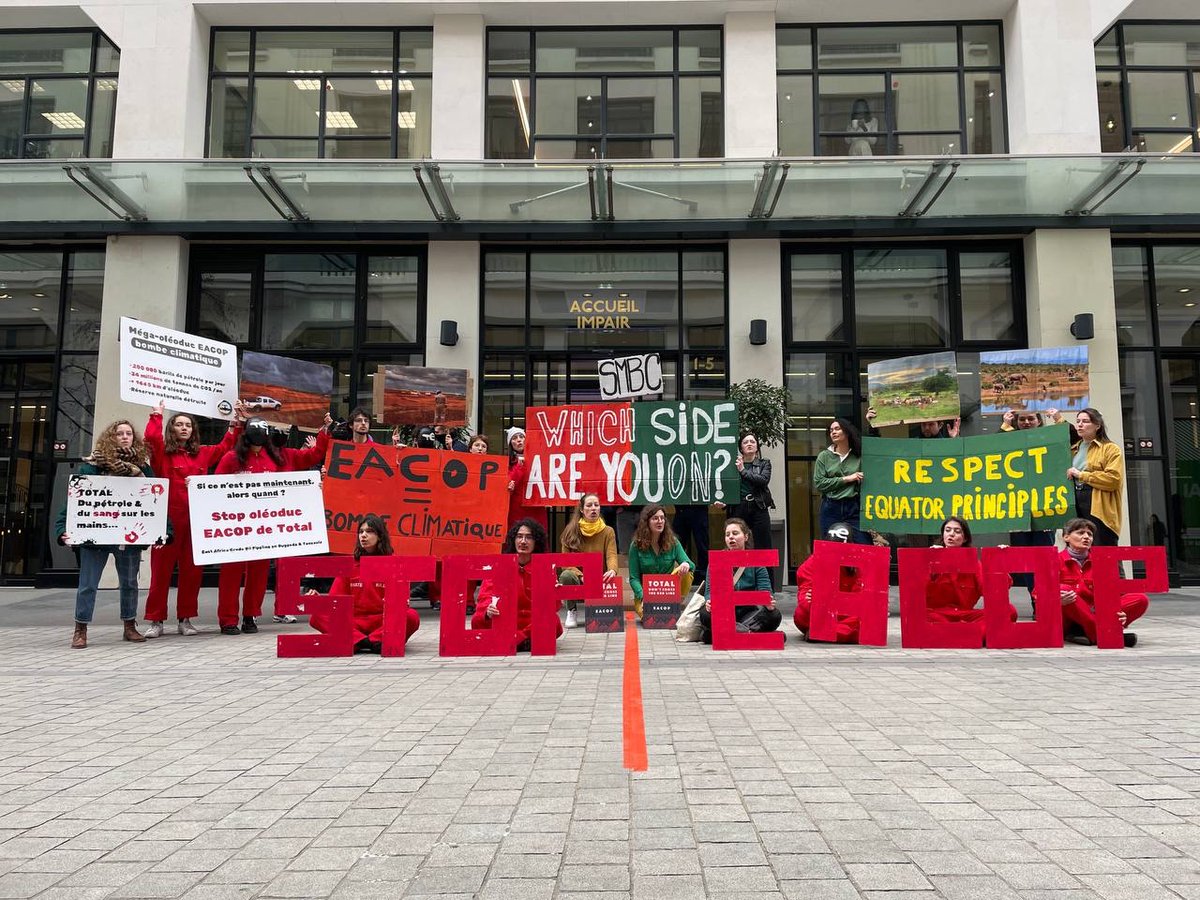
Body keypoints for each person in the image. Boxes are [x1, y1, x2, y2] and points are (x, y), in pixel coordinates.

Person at [213, 417, 330, 635]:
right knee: (230, 574)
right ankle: (228, 619)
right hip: (236, 527)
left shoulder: (277, 458)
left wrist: (323, 433)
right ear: (246, 435)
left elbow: (308, 460)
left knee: (258, 575)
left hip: (265, 528)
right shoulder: (231, 458)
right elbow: (215, 487)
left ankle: (250, 616)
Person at [141, 400, 243, 638]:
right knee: (161, 573)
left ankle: (185, 619)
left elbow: (226, 446)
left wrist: (234, 424)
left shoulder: (202, 454)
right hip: (167, 523)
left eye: (188, 425)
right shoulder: (161, 455)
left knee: (191, 572)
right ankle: (156, 620)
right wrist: (157, 415)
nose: (184, 428)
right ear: (172, 429)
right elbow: (152, 439)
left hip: (195, 522)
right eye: (179, 424)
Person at [55, 420, 160, 649]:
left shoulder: (143, 468)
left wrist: (164, 530)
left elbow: (155, 503)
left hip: (128, 537)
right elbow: (76, 501)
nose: (124, 437)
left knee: (130, 584)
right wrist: (62, 528)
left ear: (134, 438)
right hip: (96, 537)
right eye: (119, 433)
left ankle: (129, 626)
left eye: (128, 433)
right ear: (110, 437)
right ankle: (80, 629)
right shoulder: (92, 466)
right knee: (88, 584)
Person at [307, 515, 415, 654]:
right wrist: (319, 601)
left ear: (380, 536)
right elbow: (335, 601)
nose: (363, 535)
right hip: (354, 622)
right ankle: (366, 641)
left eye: (369, 531)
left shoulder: (394, 564)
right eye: (361, 532)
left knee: (411, 616)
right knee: (317, 616)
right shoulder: (349, 565)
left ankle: (359, 640)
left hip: (382, 621)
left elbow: (402, 604)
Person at [1051, 517, 1147, 647]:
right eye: (1080, 533)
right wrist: (1057, 600)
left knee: (1140, 599)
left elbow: (1116, 593)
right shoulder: (1054, 560)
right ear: (1066, 537)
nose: (1086, 537)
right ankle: (1102, 635)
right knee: (1064, 590)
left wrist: (1121, 613)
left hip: (1094, 611)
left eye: (1089, 534)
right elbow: (1038, 594)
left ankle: (1090, 632)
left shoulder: (1102, 561)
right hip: (1067, 616)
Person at [1001, 408, 1061, 602]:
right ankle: (1036, 598)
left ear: (1039, 421)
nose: (1026, 422)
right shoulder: (1011, 441)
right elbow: (993, 447)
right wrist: (1005, 425)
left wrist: (1058, 418)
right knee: (1025, 559)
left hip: (1044, 510)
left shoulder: (1049, 439)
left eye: (1031, 419)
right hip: (1019, 510)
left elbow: (1069, 437)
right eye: (1022, 419)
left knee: (1043, 557)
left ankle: (1045, 599)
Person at [471, 519, 558, 652]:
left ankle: (519, 639)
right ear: (513, 540)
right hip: (505, 621)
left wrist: (556, 592)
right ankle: (522, 641)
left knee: (553, 620)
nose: (523, 541)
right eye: (519, 536)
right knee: (479, 618)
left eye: (529, 537)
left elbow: (552, 606)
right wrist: (488, 611)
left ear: (536, 542)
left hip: (532, 623)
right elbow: (485, 597)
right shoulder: (499, 566)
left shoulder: (545, 568)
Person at [697, 517, 780, 644]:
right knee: (705, 615)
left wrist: (768, 603)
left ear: (746, 537)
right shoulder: (717, 561)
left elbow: (766, 589)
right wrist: (710, 603)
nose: (731, 537)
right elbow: (709, 591)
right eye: (727, 535)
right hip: (724, 613)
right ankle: (747, 633)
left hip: (750, 613)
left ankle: (726, 633)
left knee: (774, 615)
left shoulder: (756, 561)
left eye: (735, 533)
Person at [926, 516, 1016, 631]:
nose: (951, 534)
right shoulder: (931, 557)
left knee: (1009, 610)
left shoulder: (973, 562)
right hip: (937, 615)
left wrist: (998, 562)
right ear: (943, 535)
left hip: (965, 615)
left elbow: (990, 590)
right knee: (923, 616)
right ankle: (970, 633)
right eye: (947, 530)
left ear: (964, 538)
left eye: (957, 531)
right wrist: (931, 562)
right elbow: (918, 592)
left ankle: (957, 633)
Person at [721, 431, 775, 589]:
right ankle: (737, 586)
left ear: (757, 446)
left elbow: (763, 481)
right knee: (736, 545)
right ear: (741, 447)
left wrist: (743, 471)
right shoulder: (733, 465)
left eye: (752, 441)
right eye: (746, 442)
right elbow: (728, 488)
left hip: (759, 508)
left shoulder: (765, 463)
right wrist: (724, 503)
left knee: (763, 548)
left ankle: (767, 589)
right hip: (739, 508)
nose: (750, 444)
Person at [794, 523, 863, 643]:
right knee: (800, 614)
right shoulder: (811, 565)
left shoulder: (860, 564)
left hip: (847, 616)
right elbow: (804, 598)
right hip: (822, 614)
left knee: (866, 620)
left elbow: (862, 599)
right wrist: (814, 601)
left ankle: (823, 633)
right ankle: (834, 633)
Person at [558, 492, 619, 628]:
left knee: (612, 575)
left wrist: (612, 570)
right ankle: (571, 610)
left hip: (600, 578)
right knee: (566, 575)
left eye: (596, 505)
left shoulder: (608, 531)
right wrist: (581, 575)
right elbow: (566, 562)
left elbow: (611, 555)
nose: (593, 509)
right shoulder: (570, 531)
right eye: (589, 505)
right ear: (581, 510)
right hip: (579, 578)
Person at [1067, 407, 1124, 546]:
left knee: (1104, 551)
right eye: (1078, 421)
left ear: (1097, 425)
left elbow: (1114, 480)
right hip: (1076, 501)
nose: (1080, 424)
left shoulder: (1110, 448)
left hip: (1098, 505)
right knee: (1079, 549)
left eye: (1085, 421)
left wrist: (1081, 475)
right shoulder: (1073, 449)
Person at [628, 504, 694, 622]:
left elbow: (690, 564)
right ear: (647, 522)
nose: (660, 521)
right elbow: (634, 578)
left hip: (668, 592)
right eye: (655, 518)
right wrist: (644, 597)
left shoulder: (673, 542)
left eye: (662, 518)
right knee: (651, 619)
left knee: (686, 572)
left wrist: (686, 564)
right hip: (645, 595)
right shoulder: (636, 545)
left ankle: (675, 604)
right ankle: (660, 609)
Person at [813, 417, 865, 543]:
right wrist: (847, 479)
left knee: (864, 543)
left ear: (846, 432)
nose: (833, 432)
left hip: (853, 506)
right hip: (830, 506)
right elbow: (819, 483)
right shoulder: (824, 456)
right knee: (829, 546)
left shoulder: (858, 455)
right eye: (831, 430)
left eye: (837, 429)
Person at [505, 426, 547, 531]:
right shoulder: (508, 463)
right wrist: (519, 467)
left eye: (521, 437)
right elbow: (509, 483)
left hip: (536, 506)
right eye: (514, 438)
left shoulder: (540, 458)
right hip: (517, 508)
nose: (518, 440)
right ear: (511, 444)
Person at [672, 504, 710, 583]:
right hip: (681, 508)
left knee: (702, 546)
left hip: (699, 508)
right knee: (677, 545)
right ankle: (676, 576)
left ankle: (704, 578)